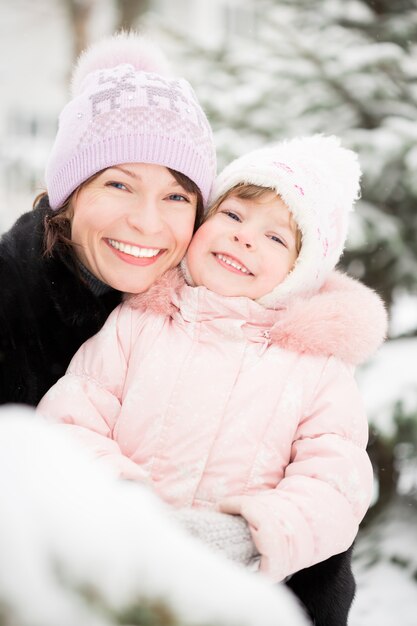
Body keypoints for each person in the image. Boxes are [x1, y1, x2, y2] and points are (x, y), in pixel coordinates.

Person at [38, 135, 387, 624]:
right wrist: (123, 501)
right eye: (234, 216)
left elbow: (335, 485)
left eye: (276, 238)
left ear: (300, 272)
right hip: (116, 567)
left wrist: (255, 532)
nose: (245, 238)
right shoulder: (139, 321)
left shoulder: (317, 368)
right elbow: (71, 421)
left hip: (234, 592)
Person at [0, 31, 216, 406]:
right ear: (68, 196)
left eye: (176, 196)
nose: (147, 223)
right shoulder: (9, 303)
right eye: (119, 185)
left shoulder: (219, 318)